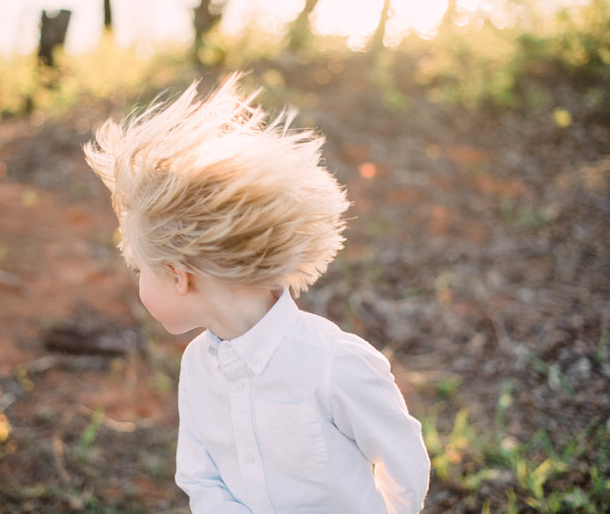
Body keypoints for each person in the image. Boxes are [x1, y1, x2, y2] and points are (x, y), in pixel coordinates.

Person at [83, 73, 430, 513]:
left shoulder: (335, 364)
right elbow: (200, 476)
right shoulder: (197, 367)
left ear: (178, 275)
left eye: (138, 269)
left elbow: (404, 465)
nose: (136, 283)